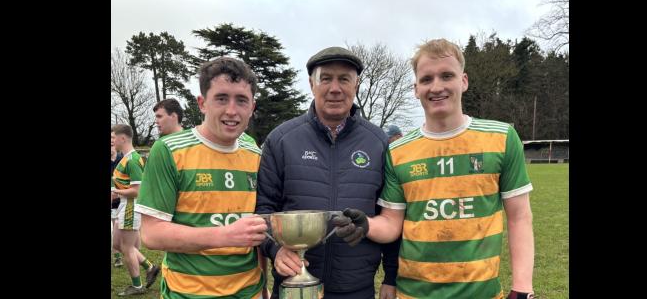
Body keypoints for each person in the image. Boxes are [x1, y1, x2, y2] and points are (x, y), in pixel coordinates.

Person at [332, 38, 536, 299]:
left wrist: (522, 287)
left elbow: (520, 217)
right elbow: (393, 224)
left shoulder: (502, 138)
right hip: (412, 294)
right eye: (426, 79)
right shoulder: (398, 151)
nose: (436, 86)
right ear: (416, 88)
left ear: (463, 81)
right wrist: (366, 225)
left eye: (446, 76)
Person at [255, 46, 398, 299]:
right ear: (312, 84)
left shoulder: (378, 142)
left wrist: (391, 276)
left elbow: (392, 214)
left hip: (357, 289)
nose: (335, 88)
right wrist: (276, 250)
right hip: (292, 286)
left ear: (356, 85)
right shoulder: (281, 139)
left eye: (344, 79)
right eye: (326, 78)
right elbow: (262, 211)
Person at [136, 57, 269, 299]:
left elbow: (257, 231)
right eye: (221, 98)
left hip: (250, 292)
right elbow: (151, 234)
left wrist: (264, 289)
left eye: (241, 100)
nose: (231, 110)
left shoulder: (255, 153)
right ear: (202, 103)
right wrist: (225, 235)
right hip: (187, 293)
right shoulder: (168, 150)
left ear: (252, 107)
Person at [111, 124, 161, 296]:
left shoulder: (132, 160)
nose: (112, 141)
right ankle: (150, 266)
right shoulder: (126, 158)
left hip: (131, 206)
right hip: (125, 205)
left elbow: (138, 191)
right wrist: (117, 194)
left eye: (113, 138)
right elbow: (125, 185)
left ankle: (137, 286)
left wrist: (116, 192)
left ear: (122, 138)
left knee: (127, 247)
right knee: (117, 243)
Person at [112, 140, 125, 267]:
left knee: (125, 229)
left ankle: (132, 252)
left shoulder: (123, 158)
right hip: (111, 199)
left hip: (124, 198)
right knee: (114, 228)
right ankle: (117, 258)